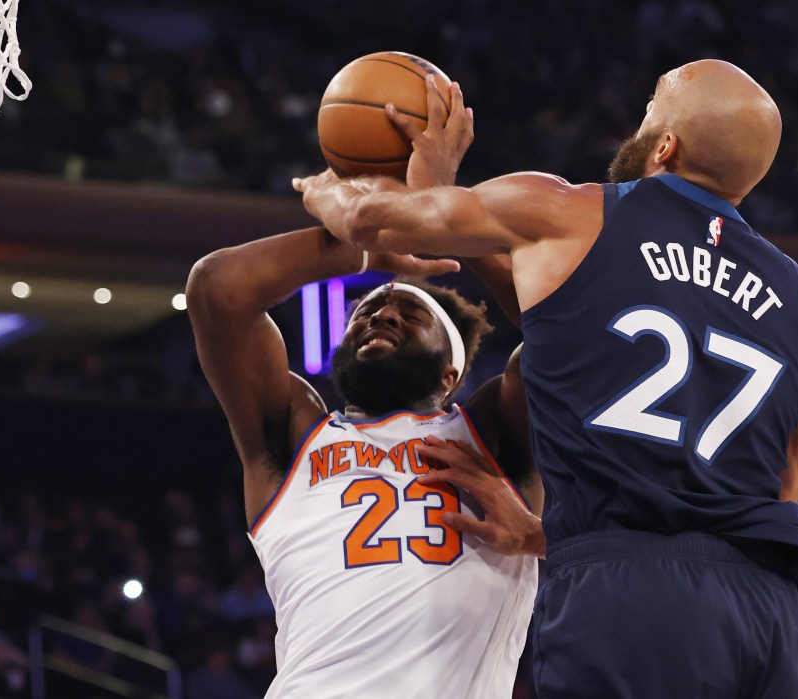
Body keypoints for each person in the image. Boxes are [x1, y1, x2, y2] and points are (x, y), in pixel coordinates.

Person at [295, 59, 798, 698]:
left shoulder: (567, 209)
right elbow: (784, 482)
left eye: (648, 113)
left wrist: (324, 187)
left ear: (665, 145)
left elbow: (370, 221)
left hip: (636, 599)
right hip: (777, 613)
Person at [186, 80, 542, 698]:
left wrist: (442, 209)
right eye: (367, 311)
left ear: (452, 375)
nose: (380, 315)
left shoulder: (492, 433)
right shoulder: (294, 431)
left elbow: (572, 337)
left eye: (411, 314)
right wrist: (363, 241)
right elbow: (217, 289)